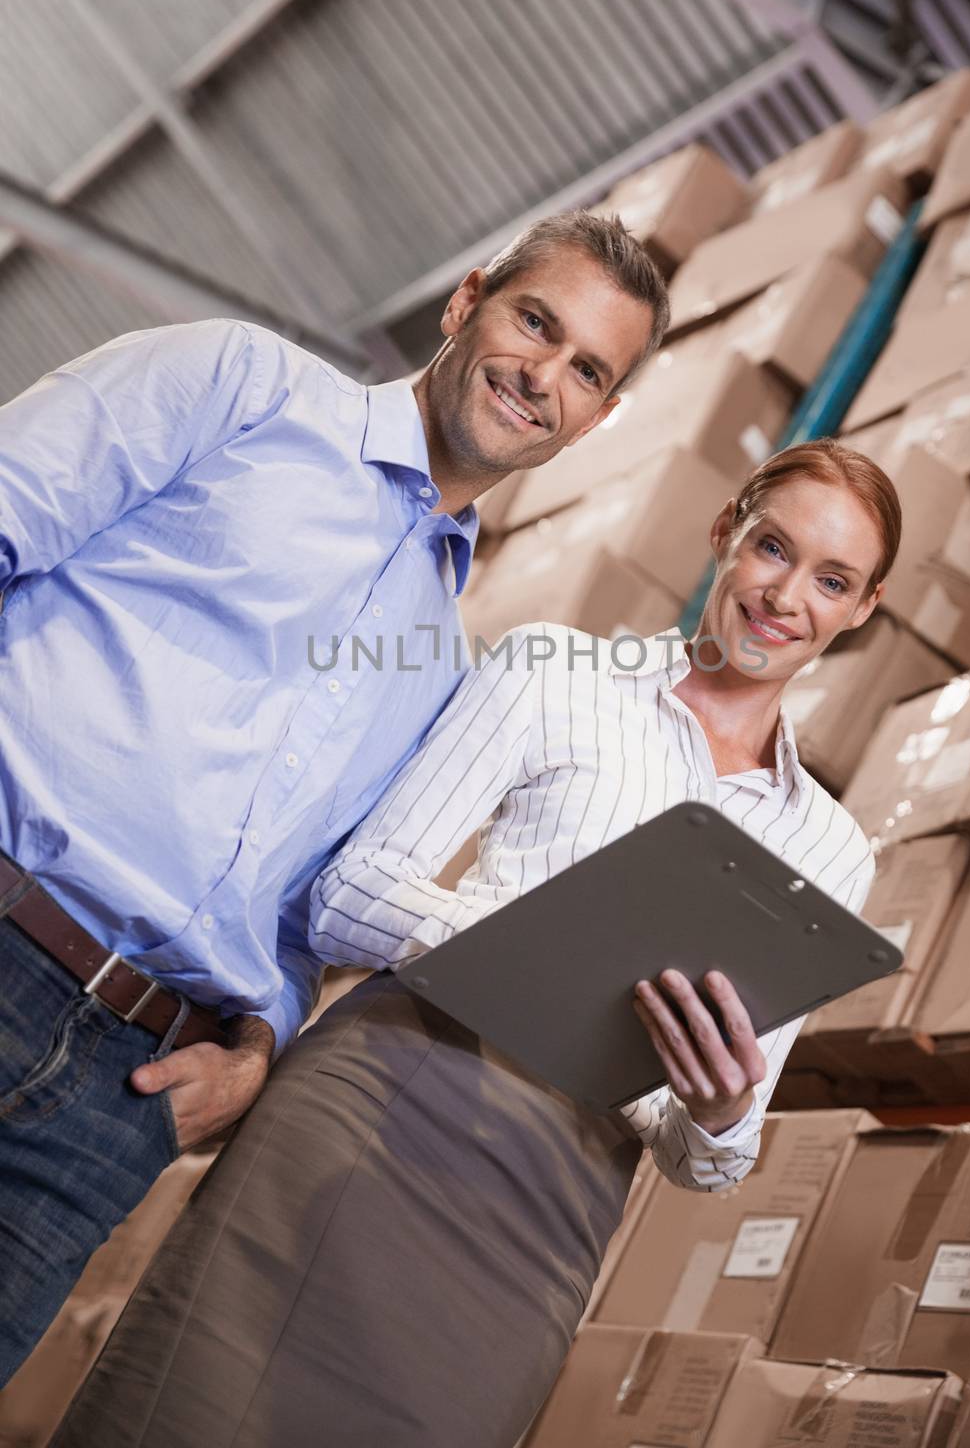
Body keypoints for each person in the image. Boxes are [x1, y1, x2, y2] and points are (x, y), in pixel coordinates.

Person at [56, 438, 901, 1448]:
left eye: (830, 579)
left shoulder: (829, 848)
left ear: (862, 608)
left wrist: (718, 1109)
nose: (784, 594)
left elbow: (707, 1159)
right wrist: (550, 954)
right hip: (388, 1103)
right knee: (186, 1413)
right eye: (771, 546)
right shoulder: (556, 673)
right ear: (725, 531)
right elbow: (349, 895)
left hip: (553, 1205)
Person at [0, 211, 669, 1385]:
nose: (542, 377)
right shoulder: (243, 386)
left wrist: (261, 1041)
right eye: (534, 322)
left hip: (117, 1097)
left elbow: (309, 916)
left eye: (585, 371)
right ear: (465, 301)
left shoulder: (446, 665)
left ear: (596, 419)